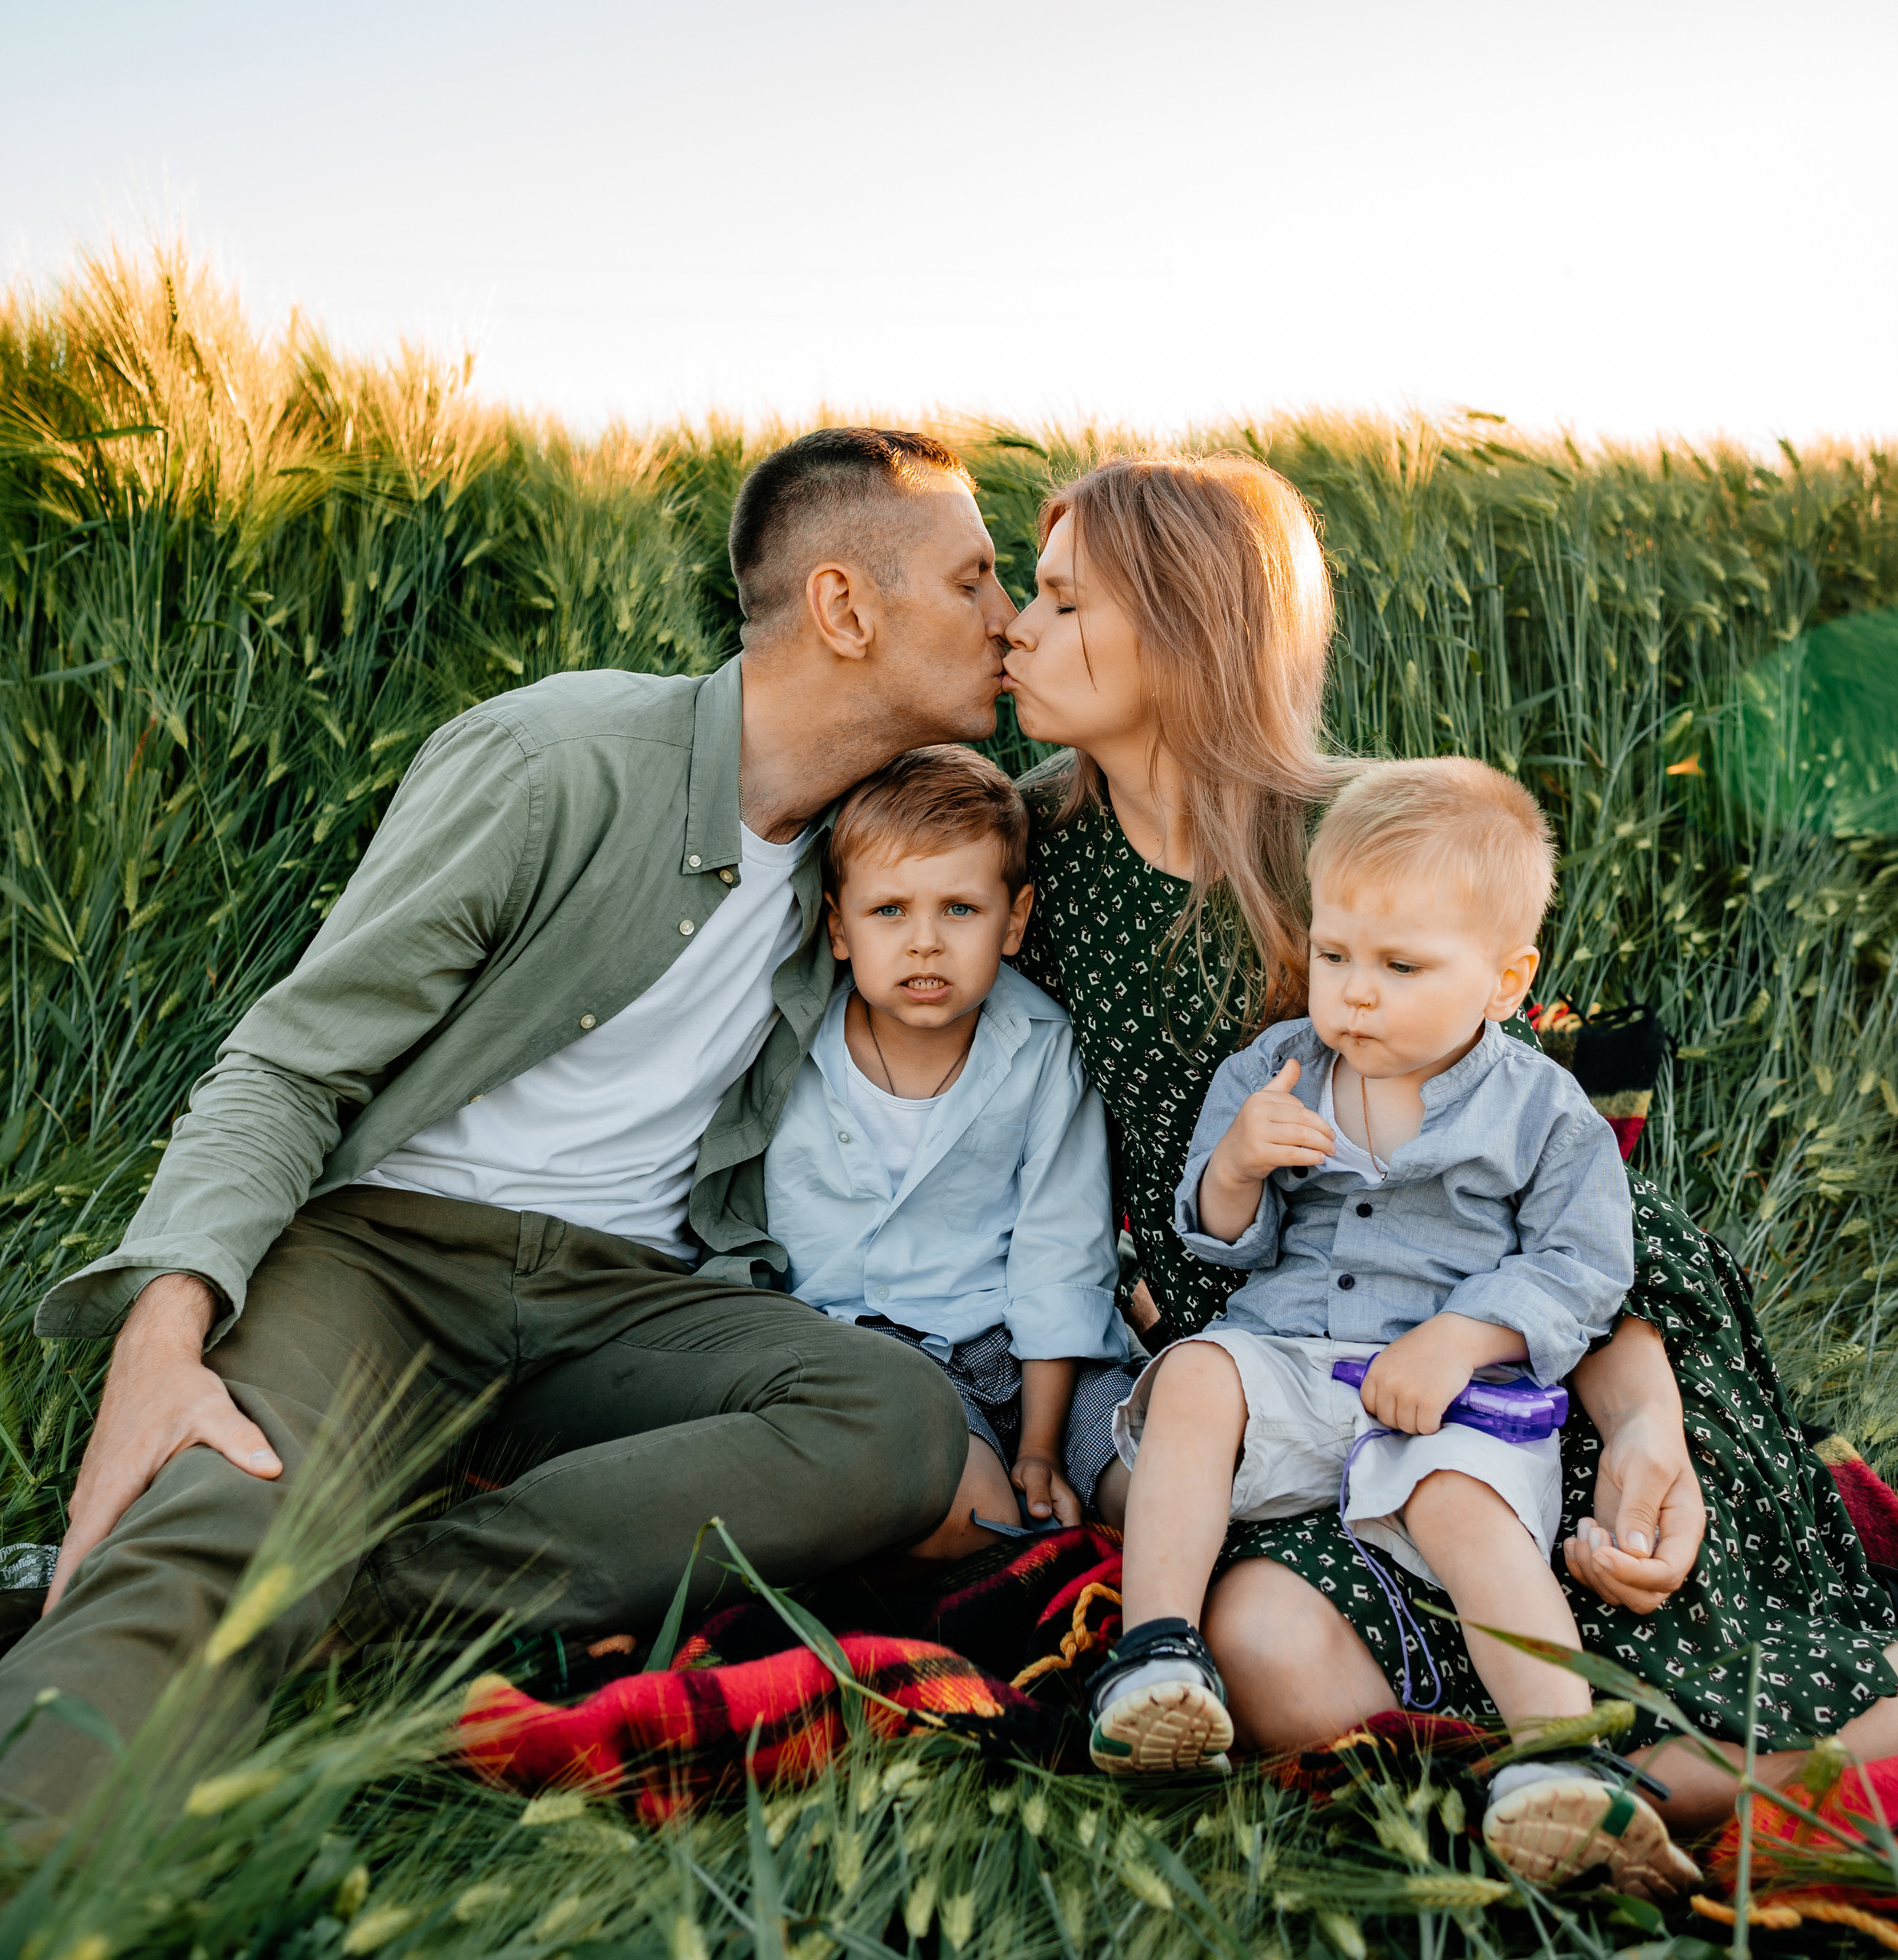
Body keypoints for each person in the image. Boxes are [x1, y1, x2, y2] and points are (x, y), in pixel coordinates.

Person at [0, 427, 1018, 1816]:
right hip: (385, 1258)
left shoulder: (878, 853)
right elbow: (288, 1062)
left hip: (630, 1298)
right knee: (224, 1492)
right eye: (977, 579)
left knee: (893, 1423)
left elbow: (1158, 806)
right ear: (845, 606)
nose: (1008, 619)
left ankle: (331, 1598)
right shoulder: (554, 762)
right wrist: (165, 1330)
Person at [1001, 451, 1898, 1841]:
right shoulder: (1028, 861)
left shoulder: (1365, 835)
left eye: (1062, 603)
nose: (1019, 626)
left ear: (1181, 627)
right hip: (1275, 1353)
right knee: (1269, 1655)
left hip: (1517, 1329)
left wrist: (1640, 1408)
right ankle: (1606, 1793)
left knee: (1612, 1555)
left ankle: (1722, 1766)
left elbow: (1560, 1167)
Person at [1093, 759, 1695, 1892]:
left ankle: (1566, 1763)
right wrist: (1235, 1167)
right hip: (1300, 1363)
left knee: (1466, 1505)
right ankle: (1155, 1656)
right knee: (1195, 1380)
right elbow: (1216, 1245)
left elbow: (1584, 1267)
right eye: (1334, 957)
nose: (1353, 994)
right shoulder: (1276, 1074)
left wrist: (1467, 1338)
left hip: (1452, 1399)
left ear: (1507, 982)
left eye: (1400, 967)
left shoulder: (1541, 1113)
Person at [761, 745, 1133, 1562]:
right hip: (881, 1358)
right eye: (889, 910)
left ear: (1015, 919)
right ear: (838, 927)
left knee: (1152, 1484)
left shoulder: (1041, 1048)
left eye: (959, 909)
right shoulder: (790, 1052)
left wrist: (1040, 1445)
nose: (924, 942)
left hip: (1038, 1352)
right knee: (968, 1516)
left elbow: (1059, 1250)